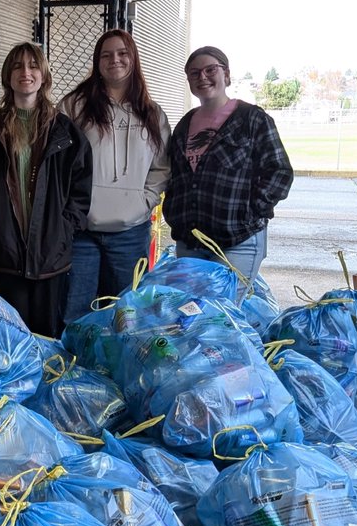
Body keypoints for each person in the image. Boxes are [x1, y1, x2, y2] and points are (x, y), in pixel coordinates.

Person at [0, 42, 92, 337]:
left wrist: (65, 226)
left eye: (33, 66)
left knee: (47, 336)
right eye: (18, 66)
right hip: (5, 255)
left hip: (50, 256)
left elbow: (82, 188)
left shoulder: (65, 132)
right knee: (10, 335)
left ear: (44, 76)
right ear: (8, 75)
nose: (26, 72)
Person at [61, 29, 171, 320]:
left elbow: (162, 167)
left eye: (123, 53)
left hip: (131, 232)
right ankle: (73, 366)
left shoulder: (152, 113)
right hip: (82, 232)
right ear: (97, 62)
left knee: (126, 315)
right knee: (75, 313)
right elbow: (57, 163)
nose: (115, 60)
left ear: (133, 58)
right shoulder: (73, 106)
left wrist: (144, 200)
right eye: (106, 54)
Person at [164, 45, 294, 280]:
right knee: (189, 313)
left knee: (222, 313)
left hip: (237, 242)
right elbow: (175, 176)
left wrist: (250, 211)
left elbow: (279, 172)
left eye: (210, 69)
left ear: (226, 74)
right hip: (190, 241)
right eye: (194, 73)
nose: (202, 77)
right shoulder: (185, 124)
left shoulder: (252, 119)